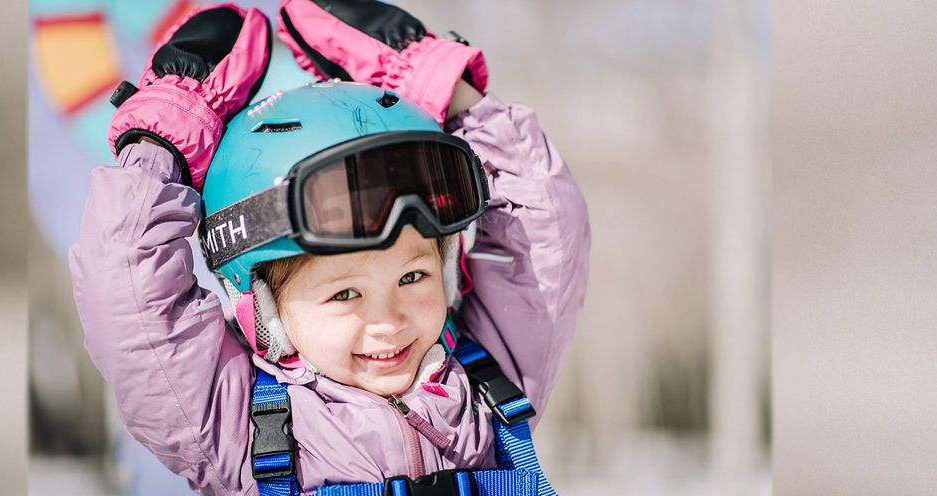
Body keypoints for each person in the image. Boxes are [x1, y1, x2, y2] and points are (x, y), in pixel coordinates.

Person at [70, 1, 589, 494]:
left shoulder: (485, 385)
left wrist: (435, 82)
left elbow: (546, 231)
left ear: (449, 268)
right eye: (344, 294)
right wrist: (167, 132)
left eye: (413, 278)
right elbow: (129, 292)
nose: (388, 322)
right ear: (265, 309)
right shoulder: (233, 432)